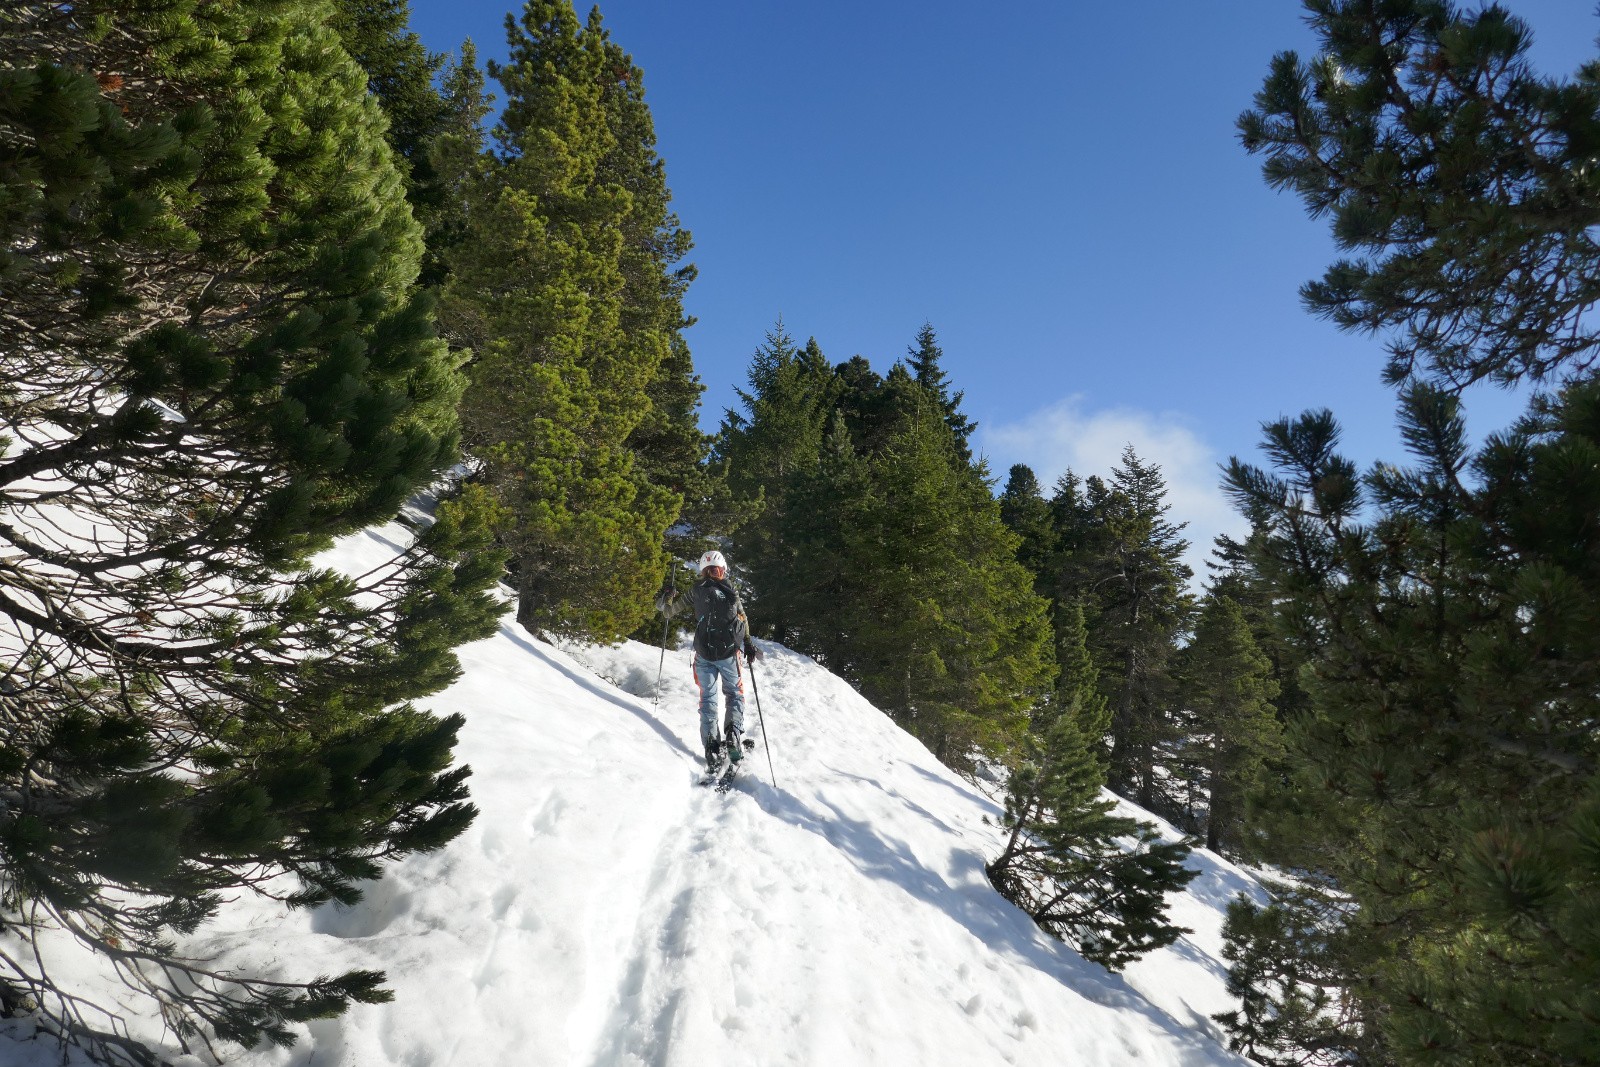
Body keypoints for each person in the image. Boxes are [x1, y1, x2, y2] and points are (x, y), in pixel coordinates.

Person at [656, 549, 764, 773]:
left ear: (702, 570)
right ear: (722, 569)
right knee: (734, 694)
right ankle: (733, 733)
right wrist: (749, 644)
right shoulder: (732, 590)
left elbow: (666, 612)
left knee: (708, 699)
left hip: (703, 655)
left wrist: (667, 595)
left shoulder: (695, 590)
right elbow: (743, 619)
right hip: (729, 655)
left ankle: (712, 748)